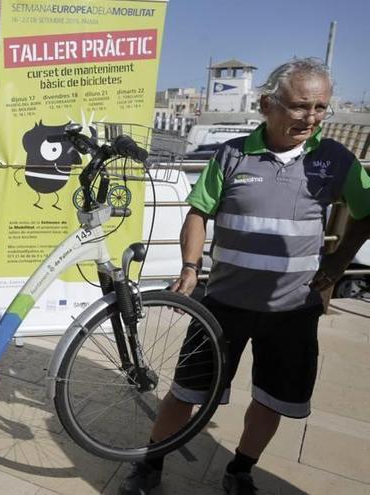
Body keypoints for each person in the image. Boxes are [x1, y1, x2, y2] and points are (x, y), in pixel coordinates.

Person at [120, 57, 370, 495]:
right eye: (298, 107)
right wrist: (191, 268)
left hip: (292, 310)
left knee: (270, 399)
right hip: (224, 306)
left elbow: (365, 213)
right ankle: (150, 465)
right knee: (185, 393)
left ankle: (240, 470)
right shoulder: (232, 153)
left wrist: (337, 263)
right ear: (266, 104)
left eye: (319, 108)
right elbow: (199, 212)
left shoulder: (335, 159)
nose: (310, 118)